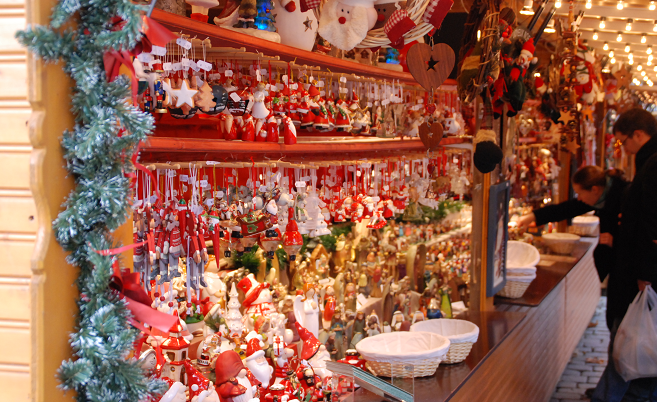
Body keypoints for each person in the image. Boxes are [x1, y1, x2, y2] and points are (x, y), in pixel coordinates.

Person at [590, 108, 657, 402]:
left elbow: (650, 223)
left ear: (638, 135)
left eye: (623, 142)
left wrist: (646, 274)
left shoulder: (652, 165)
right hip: (638, 271)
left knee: (632, 337)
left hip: (640, 275)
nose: (623, 149)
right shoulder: (647, 163)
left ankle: (623, 394)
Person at [517, 165, 628, 286]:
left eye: (580, 193)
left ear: (594, 190)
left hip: (629, 270)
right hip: (618, 264)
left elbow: (639, 235)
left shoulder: (624, 198)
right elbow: (567, 209)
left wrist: (616, 241)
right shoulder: (603, 196)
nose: (579, 198)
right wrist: (533, 216)